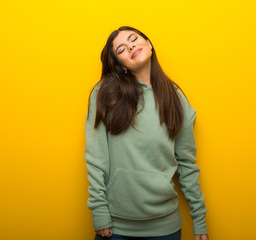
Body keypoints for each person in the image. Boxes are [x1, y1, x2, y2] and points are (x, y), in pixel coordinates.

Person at [84, 26, 209, 240]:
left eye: (133, 39)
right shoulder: (105, 94)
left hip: (166, 229)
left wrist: (200, 220)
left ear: (149, 44)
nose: (131, 45)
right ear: (121, 65)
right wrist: (99, 211)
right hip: (115, 228)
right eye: (121, 49)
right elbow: (96, 158)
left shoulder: (177, 100)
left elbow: (187, 165)